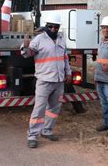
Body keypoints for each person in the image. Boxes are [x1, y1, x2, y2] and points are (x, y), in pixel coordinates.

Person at [21, 13, 72, 148]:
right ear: (46, 27)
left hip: (59, 80)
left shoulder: (61, 40)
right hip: (44, 80)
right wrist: (25, 46)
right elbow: (27, 54)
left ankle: (47, 130)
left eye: (56, 27)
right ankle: (32, 136)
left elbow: (65, 58)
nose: (54, 29)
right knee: (39, 108)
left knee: (54, 108)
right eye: (51, 27)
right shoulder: (38, 39)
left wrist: (68, 73)